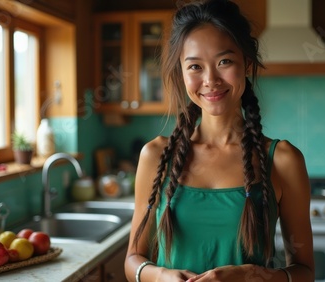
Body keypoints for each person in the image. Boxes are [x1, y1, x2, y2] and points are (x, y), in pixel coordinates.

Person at [124, 0, 314, 281]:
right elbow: (132, 260)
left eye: (224, 61)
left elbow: (305, 271)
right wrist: (161, 276)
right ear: (181, 71)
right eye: (195, 66)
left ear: (246, 63)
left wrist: (253, 276)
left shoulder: (284, 159)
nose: (210, 79)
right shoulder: (155, 155)